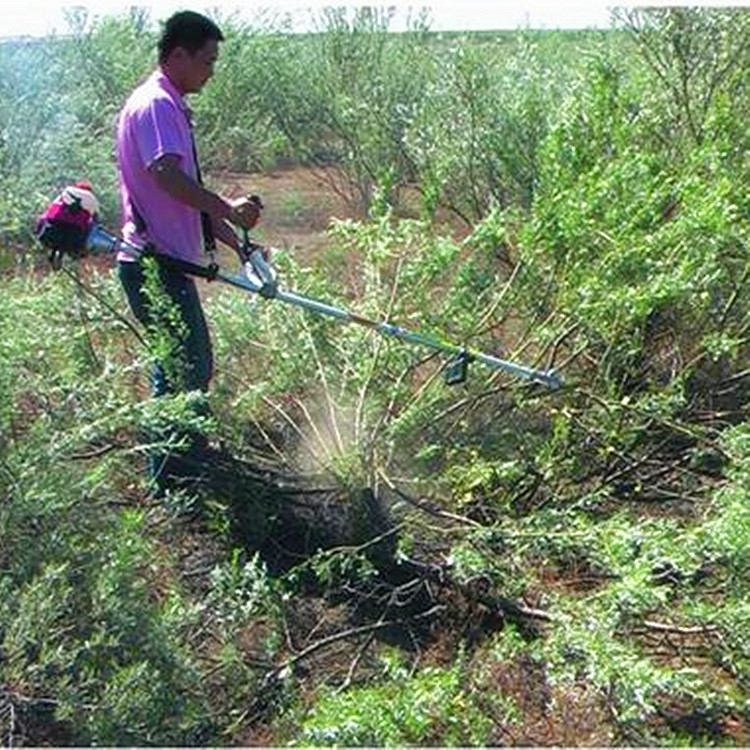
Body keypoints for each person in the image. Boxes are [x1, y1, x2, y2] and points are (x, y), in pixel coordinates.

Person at [116, 10, 261, 494]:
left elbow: (182, 197)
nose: (211, 72)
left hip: (164, 263)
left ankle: (178, 470)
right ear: (177, 54)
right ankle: (173, 482)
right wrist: (227, 207)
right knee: (184, 367)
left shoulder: (166, 102)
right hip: (154, 266)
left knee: (185, 365)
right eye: (206, 60)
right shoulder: (157, 103)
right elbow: (167, 177)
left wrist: (237, 239)